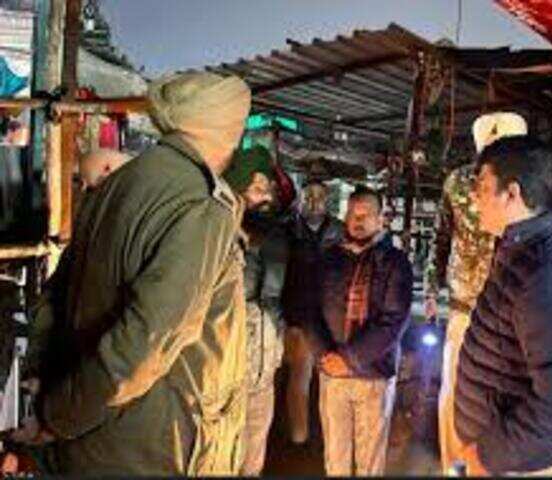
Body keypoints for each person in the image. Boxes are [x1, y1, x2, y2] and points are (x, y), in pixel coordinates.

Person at [28, 72, 252, 475]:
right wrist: (58, 417)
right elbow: (146, 343)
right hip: (147, 448)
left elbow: (54, 298)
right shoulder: (202, 204)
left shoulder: (115, 185)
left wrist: (41, 390)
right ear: (228, 133)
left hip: (86, 445)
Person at [455, 136, 552, 477]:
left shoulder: (547, 275)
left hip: (515, 463)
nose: (474, 198)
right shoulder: (519, 248)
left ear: (512, 193)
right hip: (500, 453)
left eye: (483, 187)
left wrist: (490, 454)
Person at [423, 111, 527, 475]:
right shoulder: (458, 181)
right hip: (464, 305)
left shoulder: (528, 186)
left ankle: (496, 465)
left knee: (507, 393)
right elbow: (441, 235)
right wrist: (431, 287)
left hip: (512, 310)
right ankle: (455, 466)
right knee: (456, 390)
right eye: (490, 144)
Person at [313, 186, 413, 476]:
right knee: (335, 456)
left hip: (373, 374)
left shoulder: (395, 262)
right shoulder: (328, 259)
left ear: (381, 219)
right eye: (352, 214)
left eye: (365, 214)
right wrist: (324, 355)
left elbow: (394, 320)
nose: (358, 220)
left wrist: (349, 359)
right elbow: (310, 310)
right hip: (332, 372)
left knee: (370, 460)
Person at [223, 145, 292, 476]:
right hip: (225, 377)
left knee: (254, 453)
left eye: (268, 189)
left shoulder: (279, 237)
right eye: (256, 188)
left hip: (264, 370)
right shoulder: (219, 234)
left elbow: (281, 297)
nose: (266, 196)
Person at [282, 179, 343, 446]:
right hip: (299, 313)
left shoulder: (339, 231)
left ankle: (328, 438)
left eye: (319, 197)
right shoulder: (288, 229)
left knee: (332, 379)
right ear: (300, 199)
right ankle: (300, 436)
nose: (314, 202)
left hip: (330, 314)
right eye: (308, 196)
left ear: (327, 200)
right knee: (301, 375)